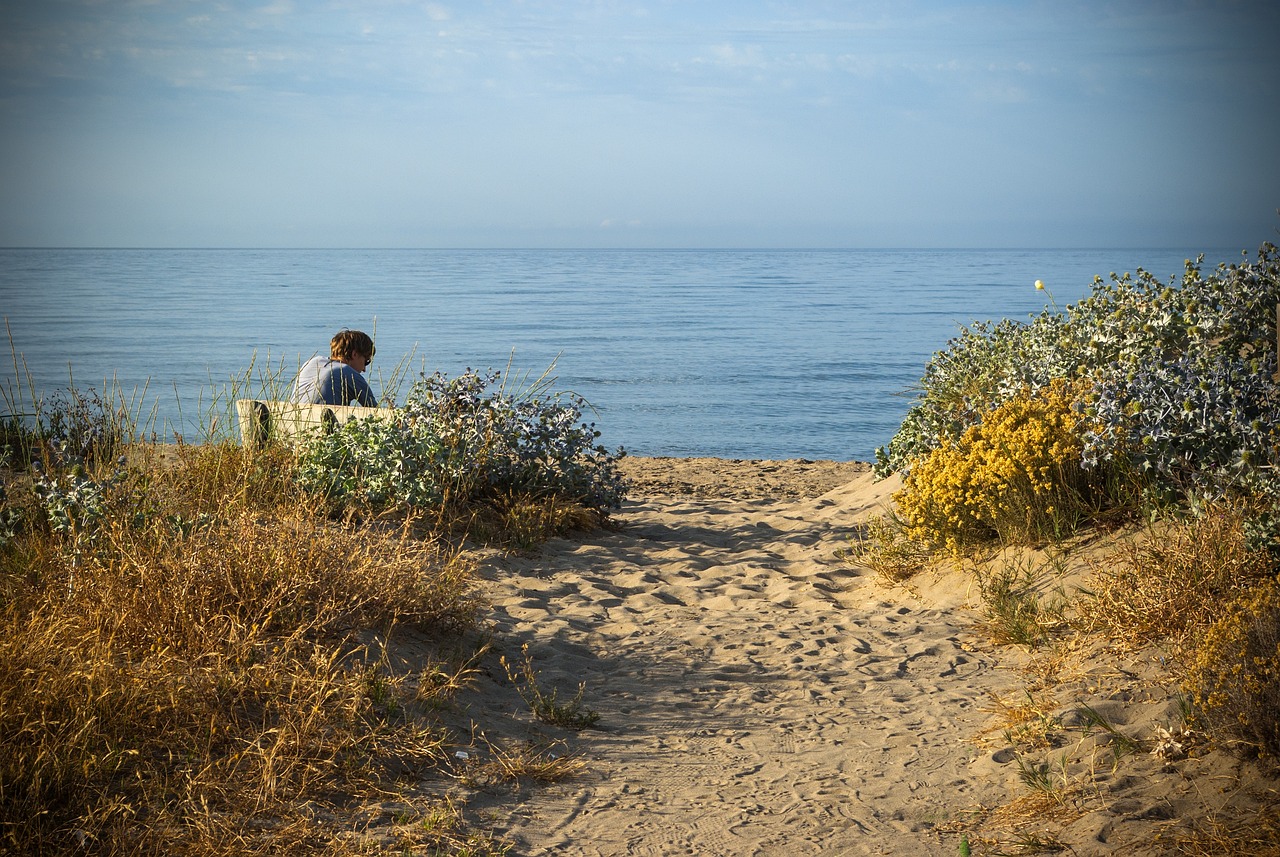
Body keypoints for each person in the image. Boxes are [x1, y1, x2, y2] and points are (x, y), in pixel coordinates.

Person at [290, 329, 379, 407]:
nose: (364, 369)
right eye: (366, 361)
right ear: (354, 354)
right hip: (324, 424)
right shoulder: (348, 373)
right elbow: (377, 413)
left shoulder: (312, 362)